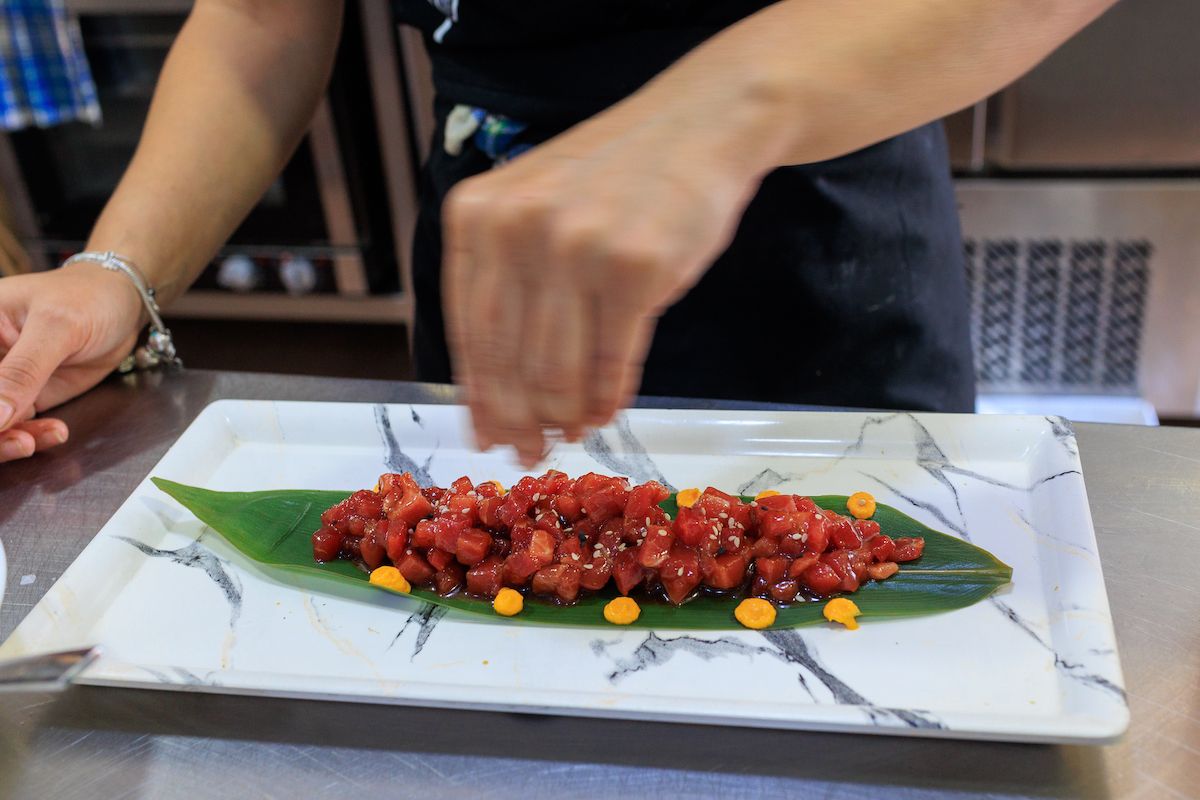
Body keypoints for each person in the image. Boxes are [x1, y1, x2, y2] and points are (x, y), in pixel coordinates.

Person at [0, 0, 1116, 465]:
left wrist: (720, 110)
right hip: (500, 230)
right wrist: (116, 271)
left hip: (818, 236)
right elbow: (262, 14)